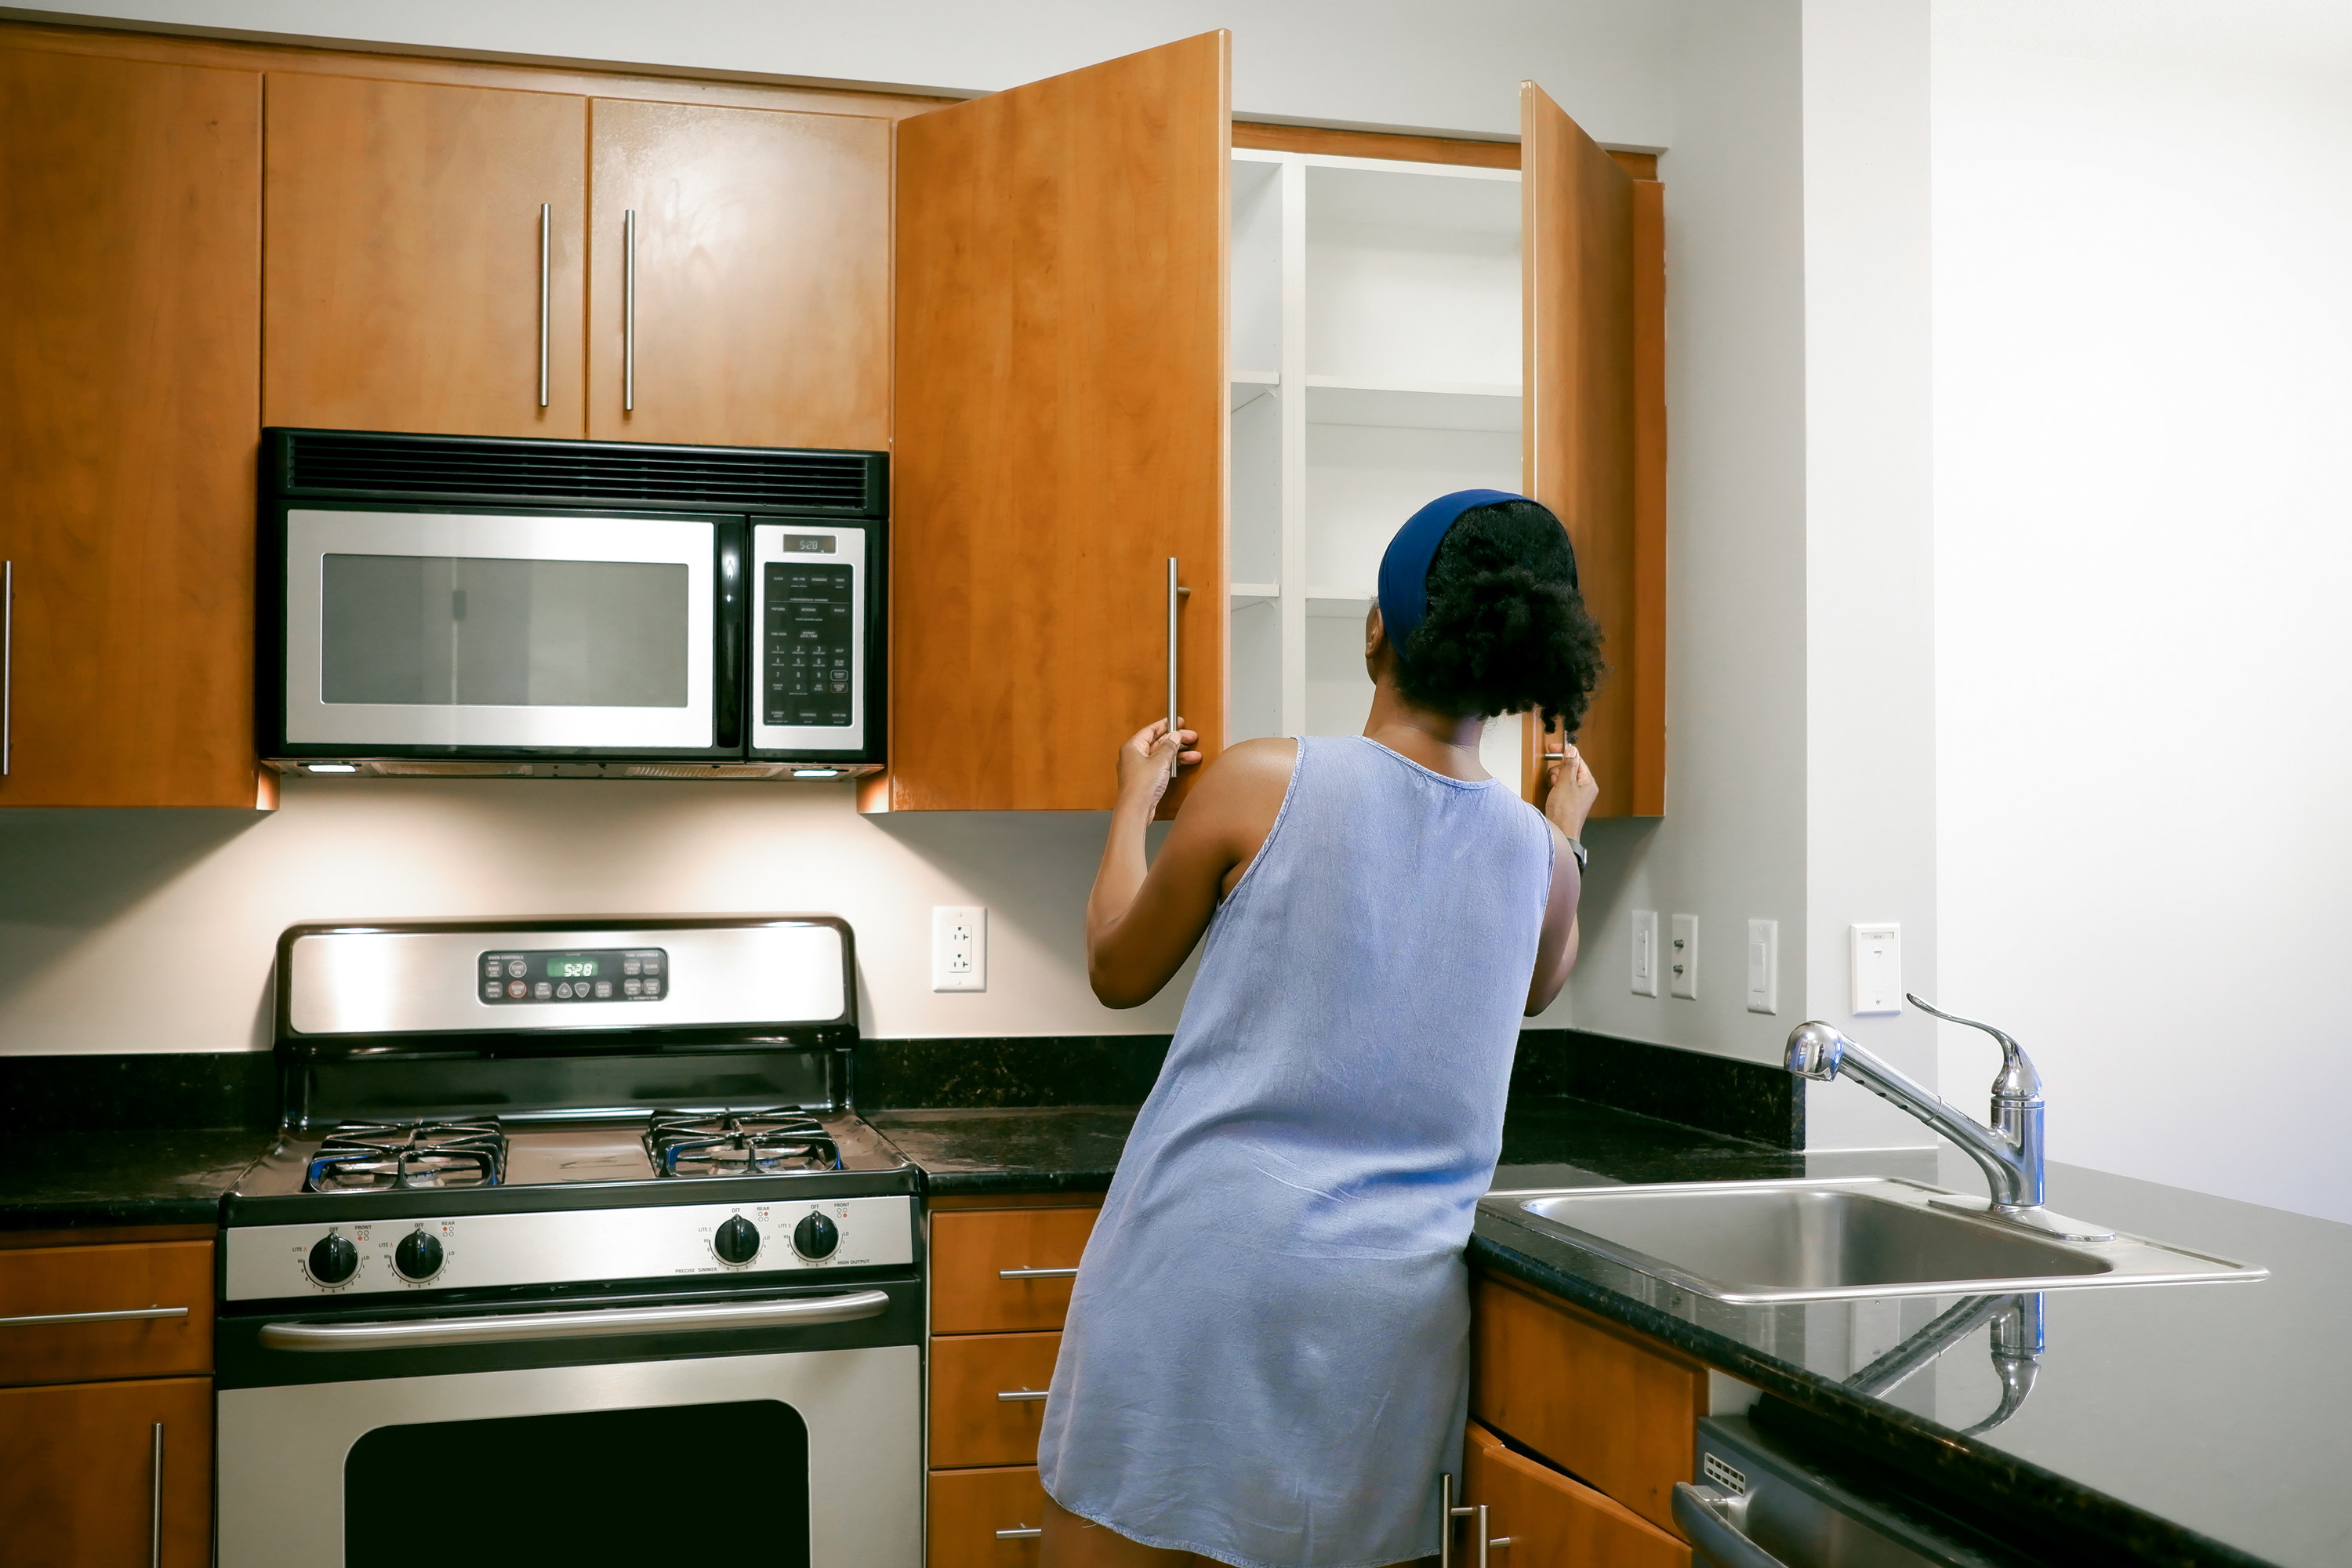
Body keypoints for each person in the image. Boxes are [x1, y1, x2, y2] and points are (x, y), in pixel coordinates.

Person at [1036, 490, 1608, 1568]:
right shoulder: (1537, 860)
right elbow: (1544, 980)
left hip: (1201, 1277)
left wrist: (1131, 803)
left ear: (1377, 630)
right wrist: (1566, 828)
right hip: (1388, 1325)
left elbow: (1118, 965)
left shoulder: (1264, 781)